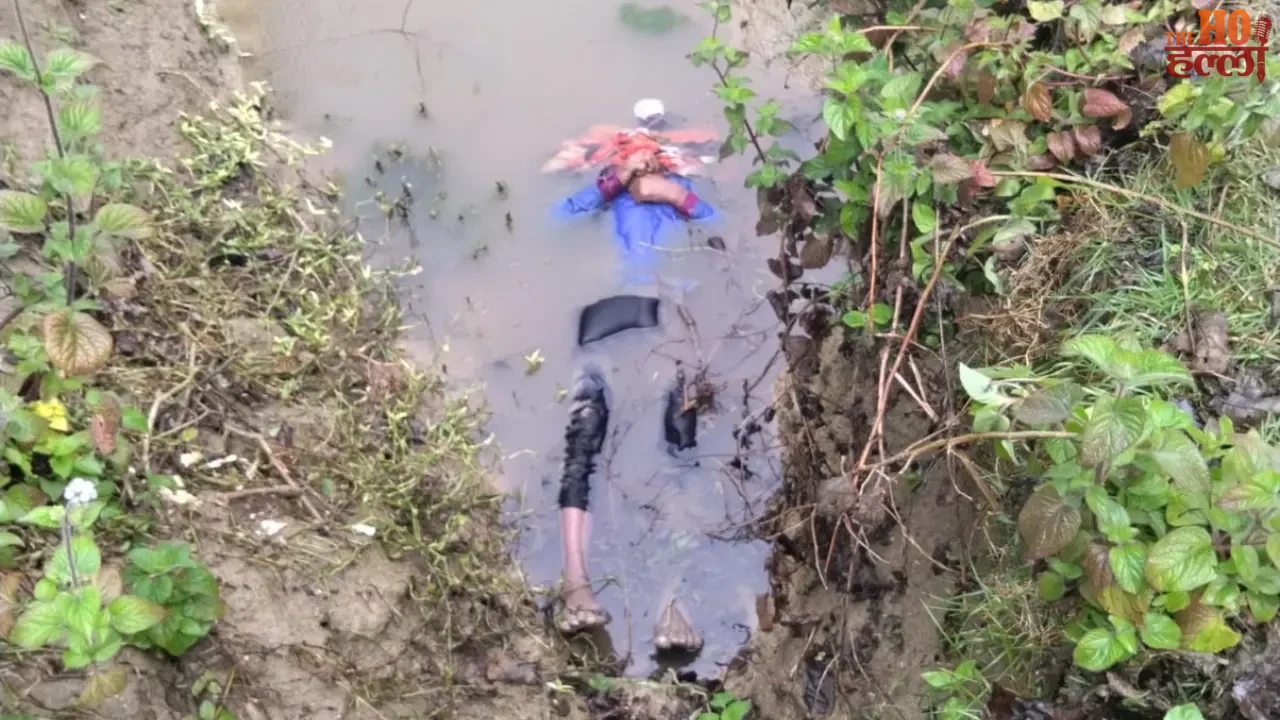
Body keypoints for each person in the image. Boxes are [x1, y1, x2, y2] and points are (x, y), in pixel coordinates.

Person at [552, 149, 708, 654]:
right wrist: (609, 183)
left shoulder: (685, 191)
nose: (648, 156)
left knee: (680, 444)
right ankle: (575, 582)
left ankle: (675, 597)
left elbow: (730, 229)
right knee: (584, 435)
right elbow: (550, 221)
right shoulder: (606, 191)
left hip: (674, 318)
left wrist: (677, 194)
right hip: (608, 316)